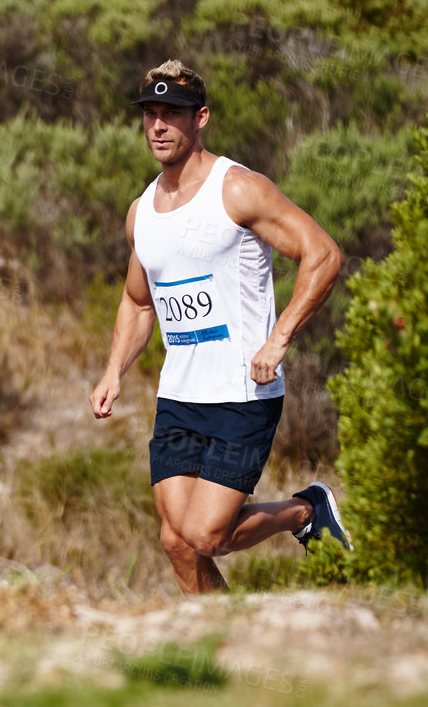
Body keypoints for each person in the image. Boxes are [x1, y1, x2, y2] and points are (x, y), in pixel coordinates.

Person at [91, 61, 353, 592]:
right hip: (180, 394)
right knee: (174, 539)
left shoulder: (237, 189)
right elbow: (138, 303)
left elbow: (322, 254)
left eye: (173, 114)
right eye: (151, 115)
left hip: (242, 392)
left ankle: (305, 511)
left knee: (208, 534)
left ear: (201, 118)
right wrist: (113, 370)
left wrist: (278, 339)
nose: (159, 126)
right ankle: (223, 646)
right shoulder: (141, 211)